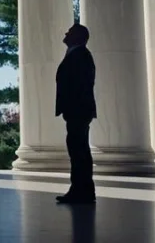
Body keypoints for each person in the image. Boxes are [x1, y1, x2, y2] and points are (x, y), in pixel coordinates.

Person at [55, 23, 97, 204]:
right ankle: (80, 189)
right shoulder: (78, 54)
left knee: (78, 150)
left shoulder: (81, 55)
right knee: (78, 150)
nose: (66, 33)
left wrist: (72, 107)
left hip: (78, 110)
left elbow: (79, 85)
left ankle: (82, 190)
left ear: (78, 37)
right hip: (78, 110)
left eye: (70, 32)